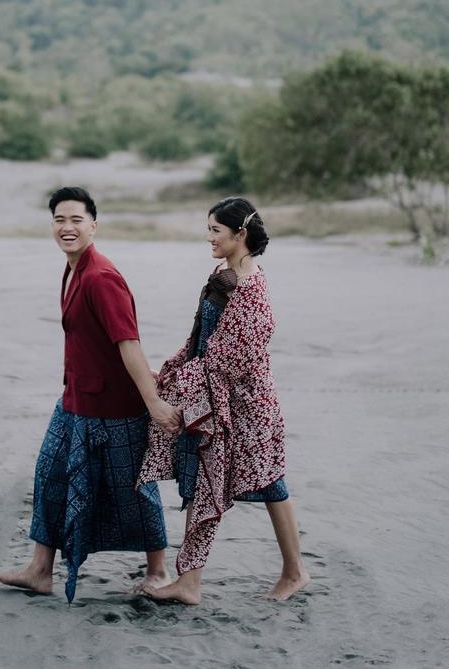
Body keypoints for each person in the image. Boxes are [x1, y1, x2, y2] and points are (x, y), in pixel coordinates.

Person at [0, 186, 182, 602]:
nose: (67, 227)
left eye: (76, 219)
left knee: (134, 488)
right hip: (76, 398)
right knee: (50, 474)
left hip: (114, 407)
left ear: (93, 225)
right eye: (59, 219)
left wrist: (153, 401)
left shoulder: (101, 277)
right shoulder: (73, 269)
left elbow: (127, 342)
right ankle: (40, 570)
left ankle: (159, 572)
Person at [137, 196, 310, 605]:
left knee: (268, 483)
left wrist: (182, 381)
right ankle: (190, 582)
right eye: (209, 229)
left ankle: (294, 572)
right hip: (214, 398)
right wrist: (173, 368)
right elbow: (201, 337)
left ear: (241, 234)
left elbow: (228, 361)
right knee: (204, 478)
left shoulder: (252, 290)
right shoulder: (223, 273)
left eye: (216, 230)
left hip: (247, 406)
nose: (209, 237)